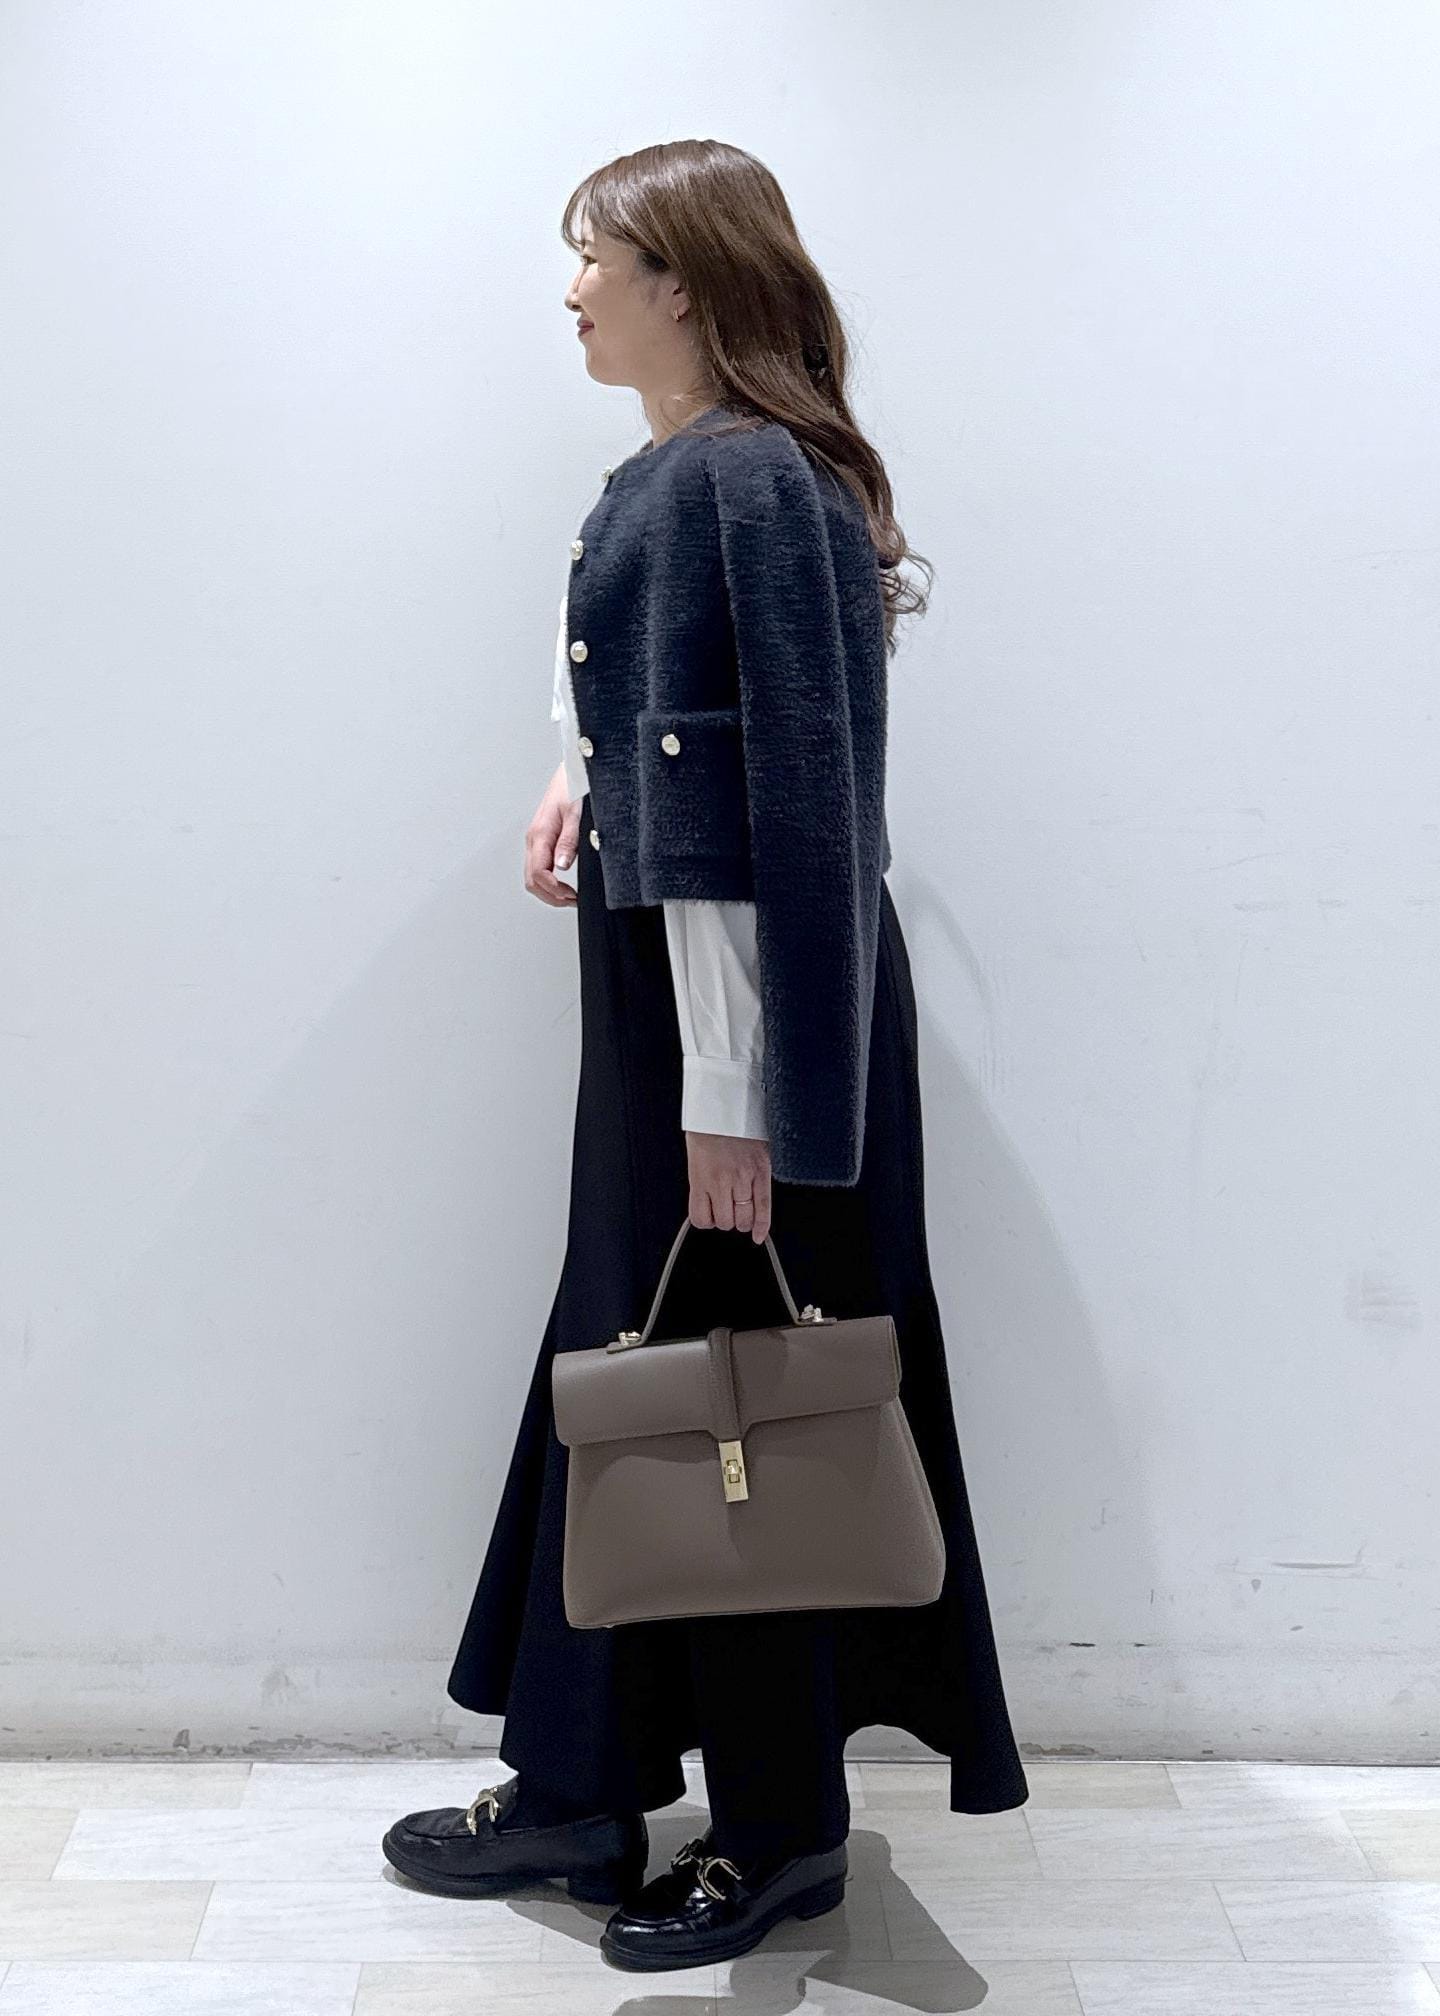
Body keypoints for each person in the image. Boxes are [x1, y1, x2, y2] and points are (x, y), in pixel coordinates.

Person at [381, 137, 1028, 1973]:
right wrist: (579, 780)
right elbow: (675, 729)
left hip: (735, 1020)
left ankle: (780, 1832)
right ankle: (581, 1781)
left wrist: (734, 1100)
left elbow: (788, 816)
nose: (571, 289)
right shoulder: (690, 470)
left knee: (745, 1409)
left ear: (686, 278)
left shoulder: (748, 479)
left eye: (596, 257)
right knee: (642, 1380)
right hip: (674, 998)